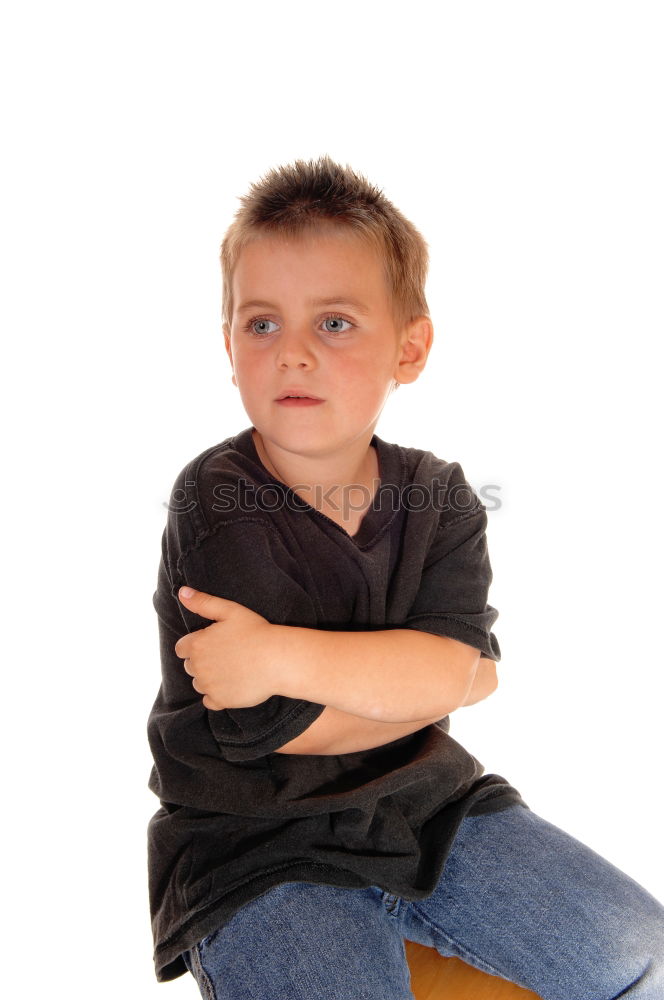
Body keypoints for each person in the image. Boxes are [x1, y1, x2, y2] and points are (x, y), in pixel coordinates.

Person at [146, 156, 664, 998]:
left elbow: (457, 671)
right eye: (262, 324)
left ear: (410, 348)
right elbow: (281, 728)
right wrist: (426, 679)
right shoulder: (218, 498)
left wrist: (281, 654)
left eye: (337, 323)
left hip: (434, 810)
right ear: (230, 344)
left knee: (642, 950)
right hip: (256, 844)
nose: (295, 356)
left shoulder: (440, 495)